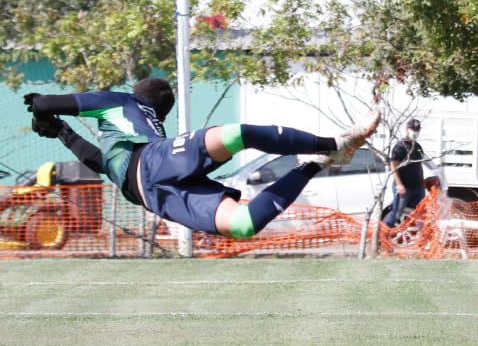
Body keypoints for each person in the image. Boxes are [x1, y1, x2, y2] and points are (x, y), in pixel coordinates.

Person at [25, 78, 380, 239]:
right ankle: (316, 161)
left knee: (235, 136)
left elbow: (43, 103)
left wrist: (43, 115)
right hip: (152, 189)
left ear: (138, 97)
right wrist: (60, 132)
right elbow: (102, 162)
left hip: (151, 173)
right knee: (242, 223)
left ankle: (332, 142)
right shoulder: (143, 132)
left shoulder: (121, 101)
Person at [383, 118, 427, 228]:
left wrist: (423, 183)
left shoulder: (417, 147)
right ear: (407, 129)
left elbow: (420, 165)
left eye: (417, 129)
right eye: (413, 129)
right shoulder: (400, 146)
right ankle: (382, 235)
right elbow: (393, 165)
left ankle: (413, 239)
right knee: (396, 214)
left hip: (418, 187)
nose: (415, 132)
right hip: (404, 187)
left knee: (417, 214)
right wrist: (399, 184)